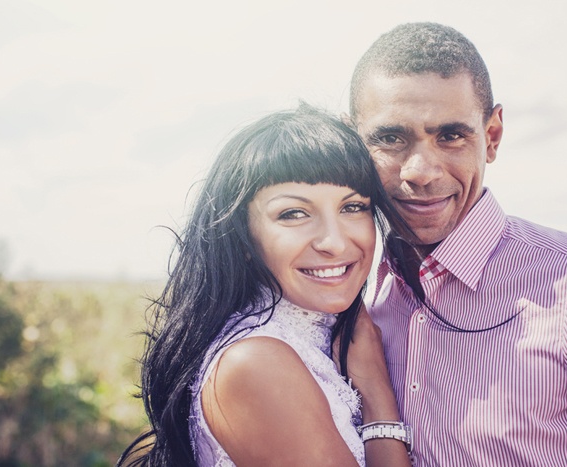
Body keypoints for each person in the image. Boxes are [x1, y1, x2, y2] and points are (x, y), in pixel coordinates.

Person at [348, 22, 567, 466]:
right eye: (391, 139)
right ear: (352, 144)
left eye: (451, 135)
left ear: (491, 137)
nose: (421, 171)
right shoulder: (360, 303)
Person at [118, 105, 414, 466]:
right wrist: (376, 389)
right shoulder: (256, 362)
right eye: (294, 214)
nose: (334, 242)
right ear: (242, 236)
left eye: (352, 207)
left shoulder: (327, 333)